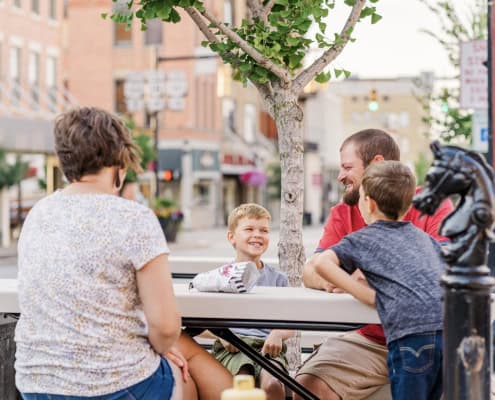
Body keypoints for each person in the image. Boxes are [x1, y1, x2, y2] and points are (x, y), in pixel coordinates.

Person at [14, 107, 231, 400]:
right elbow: (165, 326)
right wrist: (164, 346)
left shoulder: (39, 213)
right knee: (184, 363)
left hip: (36, 384)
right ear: (119, 163)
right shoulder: (133, 218)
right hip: (113, 386)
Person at [296, 128, 453, 400]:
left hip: (422, 334)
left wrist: (371, 284)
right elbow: (312, 269)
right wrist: (339, 282)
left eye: (347, 167)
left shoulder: (433, 205)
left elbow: (451, 267)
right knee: (308, 387)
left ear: (376, 165)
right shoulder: (343, 211)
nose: (340, 175)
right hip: (369, 340)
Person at [211, 203, 294, 400]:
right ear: (232, 237)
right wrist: (222, 335)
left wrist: (278, 334)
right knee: (243, 382)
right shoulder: (221, 277)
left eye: (263, 230)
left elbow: (291, 322)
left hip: (268, 349)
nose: (257, 235)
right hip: (234, 348)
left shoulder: (278, 279)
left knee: (273, 384)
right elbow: (202, 323)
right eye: (249, 229)